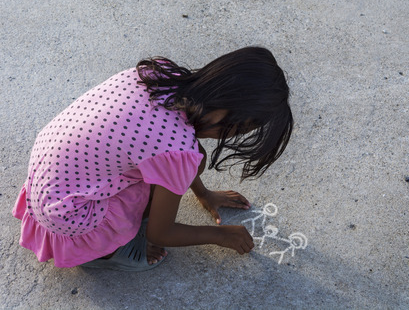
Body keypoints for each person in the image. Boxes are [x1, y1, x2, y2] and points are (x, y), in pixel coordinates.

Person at [12, 46, 293, 271]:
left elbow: (173, 149)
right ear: (226, 107)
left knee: (185, 160)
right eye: (239, 127)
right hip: (69, 215)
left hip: (48, 180)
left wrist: (204, 193)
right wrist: (221, 235)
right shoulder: (178, 151)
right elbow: (161, 233)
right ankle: (106, 253)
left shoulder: (160, 73)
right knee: (181, 165)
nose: (230, 136)